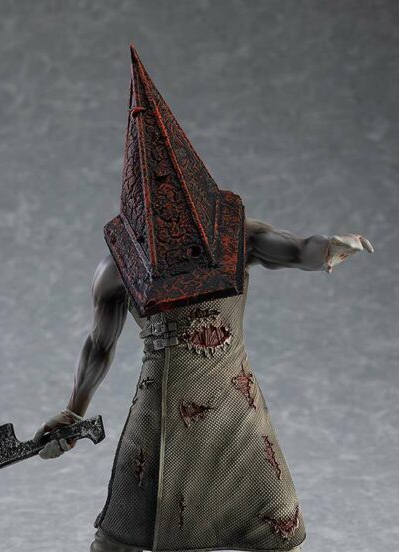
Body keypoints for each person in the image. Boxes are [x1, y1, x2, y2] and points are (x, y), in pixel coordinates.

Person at [33, 46, 374, 552]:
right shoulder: (120, 266)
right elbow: (99, 346)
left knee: (275, 524)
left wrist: (328, 249)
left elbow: (293, 248)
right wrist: (74, 412)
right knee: (120, 537)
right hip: (159, 413)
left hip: (234, 403)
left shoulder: (232, 233)